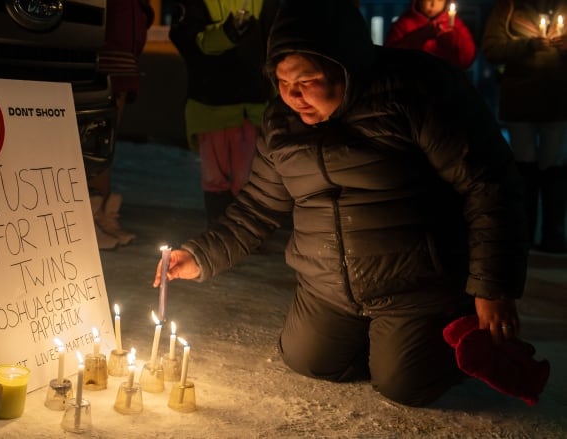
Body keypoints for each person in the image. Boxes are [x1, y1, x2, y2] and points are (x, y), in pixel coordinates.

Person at [153, 0, 529, 407]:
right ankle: (381, 345)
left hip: (415, 283)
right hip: (328, 287)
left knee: (403, 385)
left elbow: (488, 185)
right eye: (281, 82)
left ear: (344, 64)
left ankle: (433, 337)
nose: (292, 96)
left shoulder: (417, 90)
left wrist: (492, 287)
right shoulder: (282, 122)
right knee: (308, 360)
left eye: (307, 80)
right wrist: (199, 255)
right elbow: (259, 205)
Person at [169, 0, 279, 224]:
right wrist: (227, 33)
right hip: (213, 104)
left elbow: (277, 46)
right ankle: (224, 234)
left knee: (242, 179)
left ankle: (239, 235)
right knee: (223, 180)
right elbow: (186, 38)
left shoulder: (270, 4)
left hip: (247, 105)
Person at [481, 0, 567, 254]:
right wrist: (527, 46)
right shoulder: (508, 7)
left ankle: (553, 234)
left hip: (558, 102)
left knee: (555, 168)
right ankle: (523, 233)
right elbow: (491, 48)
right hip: (521, 101)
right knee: (524, 168)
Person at [89, 0, 155, 250]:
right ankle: (87, 219)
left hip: (122, 66)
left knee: (105, 147)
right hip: (101, 63)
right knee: (92, 145)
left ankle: (101, 214)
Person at [384, 0, 477, 70]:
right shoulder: (403, 24)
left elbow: (467, 60)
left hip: (446, 87)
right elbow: (389, 59)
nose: (433, 4)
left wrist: (455, 41)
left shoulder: (456, 25)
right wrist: (419, 36)